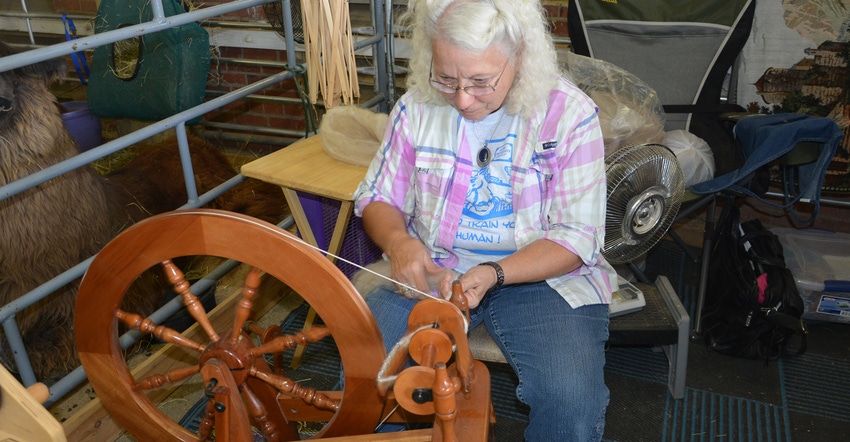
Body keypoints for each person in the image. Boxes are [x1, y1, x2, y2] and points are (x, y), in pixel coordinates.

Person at [352, 0, 615, 440]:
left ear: (521, 57)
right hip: (434, 272)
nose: (461, 98)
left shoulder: (569, 114)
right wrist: (399, 243)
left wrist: (495, 272)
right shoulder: (416, 107)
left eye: (480, 82)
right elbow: (377, 197)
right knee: (363, 378)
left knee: (570, 404)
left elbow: (577, 238)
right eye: (446, 78)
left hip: (541, 279)